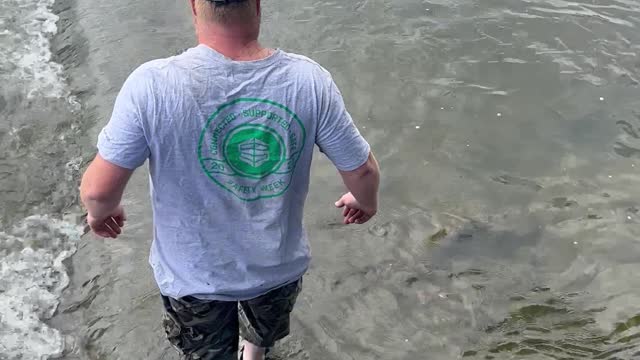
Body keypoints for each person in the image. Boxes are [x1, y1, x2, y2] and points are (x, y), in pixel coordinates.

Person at [79, 0, 380, 359]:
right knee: (264, 327)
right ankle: (254, 353)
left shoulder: (152, 85)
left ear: (193, 5)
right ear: (256, 4)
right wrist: (364, 201)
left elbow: (98, 191)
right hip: (276, 266)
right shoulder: (308, 80)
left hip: (194, 276)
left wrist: (103, 213)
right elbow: (361, 170)